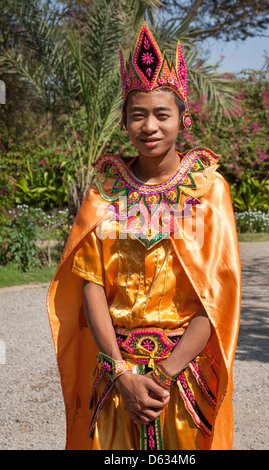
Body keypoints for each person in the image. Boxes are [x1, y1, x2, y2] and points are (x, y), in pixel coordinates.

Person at [47, 21, 241, 451]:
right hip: (116, 377)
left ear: (182, 118)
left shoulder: (208, 191)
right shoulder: (104, 193)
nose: (149, 125)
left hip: (183, 378)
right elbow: (91, 285)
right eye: (138, 114)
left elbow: (218, 295)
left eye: (161, 114)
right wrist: (122, 373)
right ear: (124, 121)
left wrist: (165, 373)